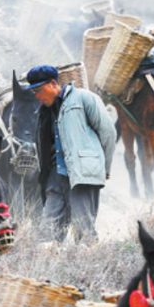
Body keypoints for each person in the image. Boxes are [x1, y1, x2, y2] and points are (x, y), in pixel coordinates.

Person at [26, 64, 116, 242]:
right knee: (47, 234)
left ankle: (91, 265)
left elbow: (108, 132)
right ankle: (48, 268)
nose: (37, 96)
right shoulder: (43, 112)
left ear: (53, 84)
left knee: (84, 231)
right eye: (34, 92)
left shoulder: (84, 98)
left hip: (81, 175)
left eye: (39, 90)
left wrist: (103, 168)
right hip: (55, 177)